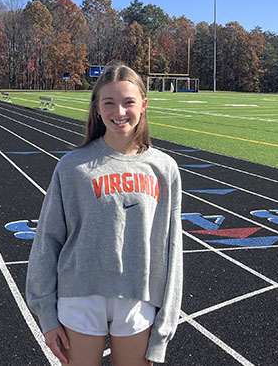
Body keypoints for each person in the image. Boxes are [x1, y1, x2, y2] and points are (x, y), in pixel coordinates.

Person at [26, 62, 182, 365]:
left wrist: (164, 329)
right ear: (97, 108)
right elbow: (48, 241)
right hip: (79, 295)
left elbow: (171, 248)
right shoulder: (73, 166)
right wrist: (47, 314)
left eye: (128, 102)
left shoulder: (164, 168)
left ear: (144, 105)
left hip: (138, 295)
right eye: (109, 102)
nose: (119, 111)